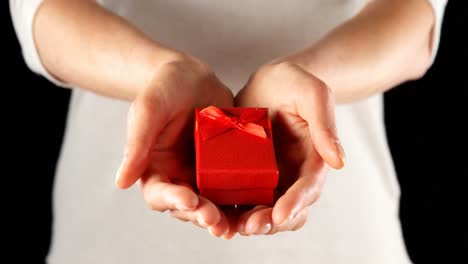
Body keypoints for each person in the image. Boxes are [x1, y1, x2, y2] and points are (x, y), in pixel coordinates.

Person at [11, 0, 447, 263]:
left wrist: (309, 80)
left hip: (340, 228)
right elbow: (40, 12)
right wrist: (157, 73)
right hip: (115, 235)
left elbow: (416, 18)